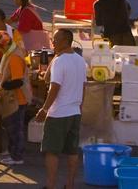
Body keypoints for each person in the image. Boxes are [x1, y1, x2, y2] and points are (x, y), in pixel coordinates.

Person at [35, 28, 87, 189]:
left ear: (65, 41)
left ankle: (51, 185)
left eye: (55, 40)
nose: (52, 42)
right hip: (75, 111)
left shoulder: (60, 61)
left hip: (58, 113)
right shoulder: (80, 60)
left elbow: (54, 87)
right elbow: (84, 86)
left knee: (52, 151)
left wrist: (44, 110)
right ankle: (69, 184)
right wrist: (80, 106)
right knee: (72, 151)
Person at [0, 30, 28, 166]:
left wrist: (2, 84)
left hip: (18, 99)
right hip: (12, 98)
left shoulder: (14, 57)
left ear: (5, 45)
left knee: (16, 130)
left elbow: (18, 81)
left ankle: (17, 157)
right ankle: (12, 154)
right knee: (11, 129)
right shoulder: (10, 53)